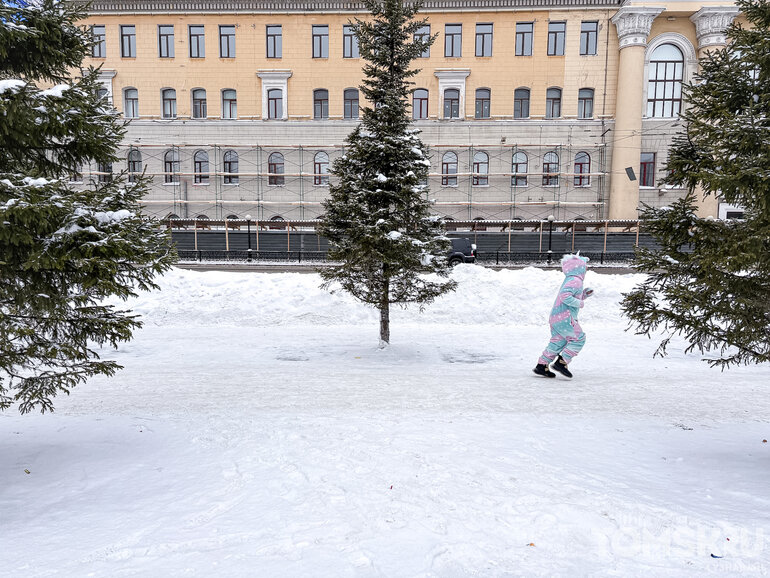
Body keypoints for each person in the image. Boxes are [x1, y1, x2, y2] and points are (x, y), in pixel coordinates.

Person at [533, 254, 593, 378]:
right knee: (578, 339)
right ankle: (562, 362)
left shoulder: (571, 279)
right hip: (565, 317)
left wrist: (584, 295)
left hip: (557, 317)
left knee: (558, 342)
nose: (586, 269)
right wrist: (580, 303)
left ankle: (542, 365)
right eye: (585, 267)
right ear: (578, 267)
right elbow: (565, 296)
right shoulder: (575, 281)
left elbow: (570, 295)